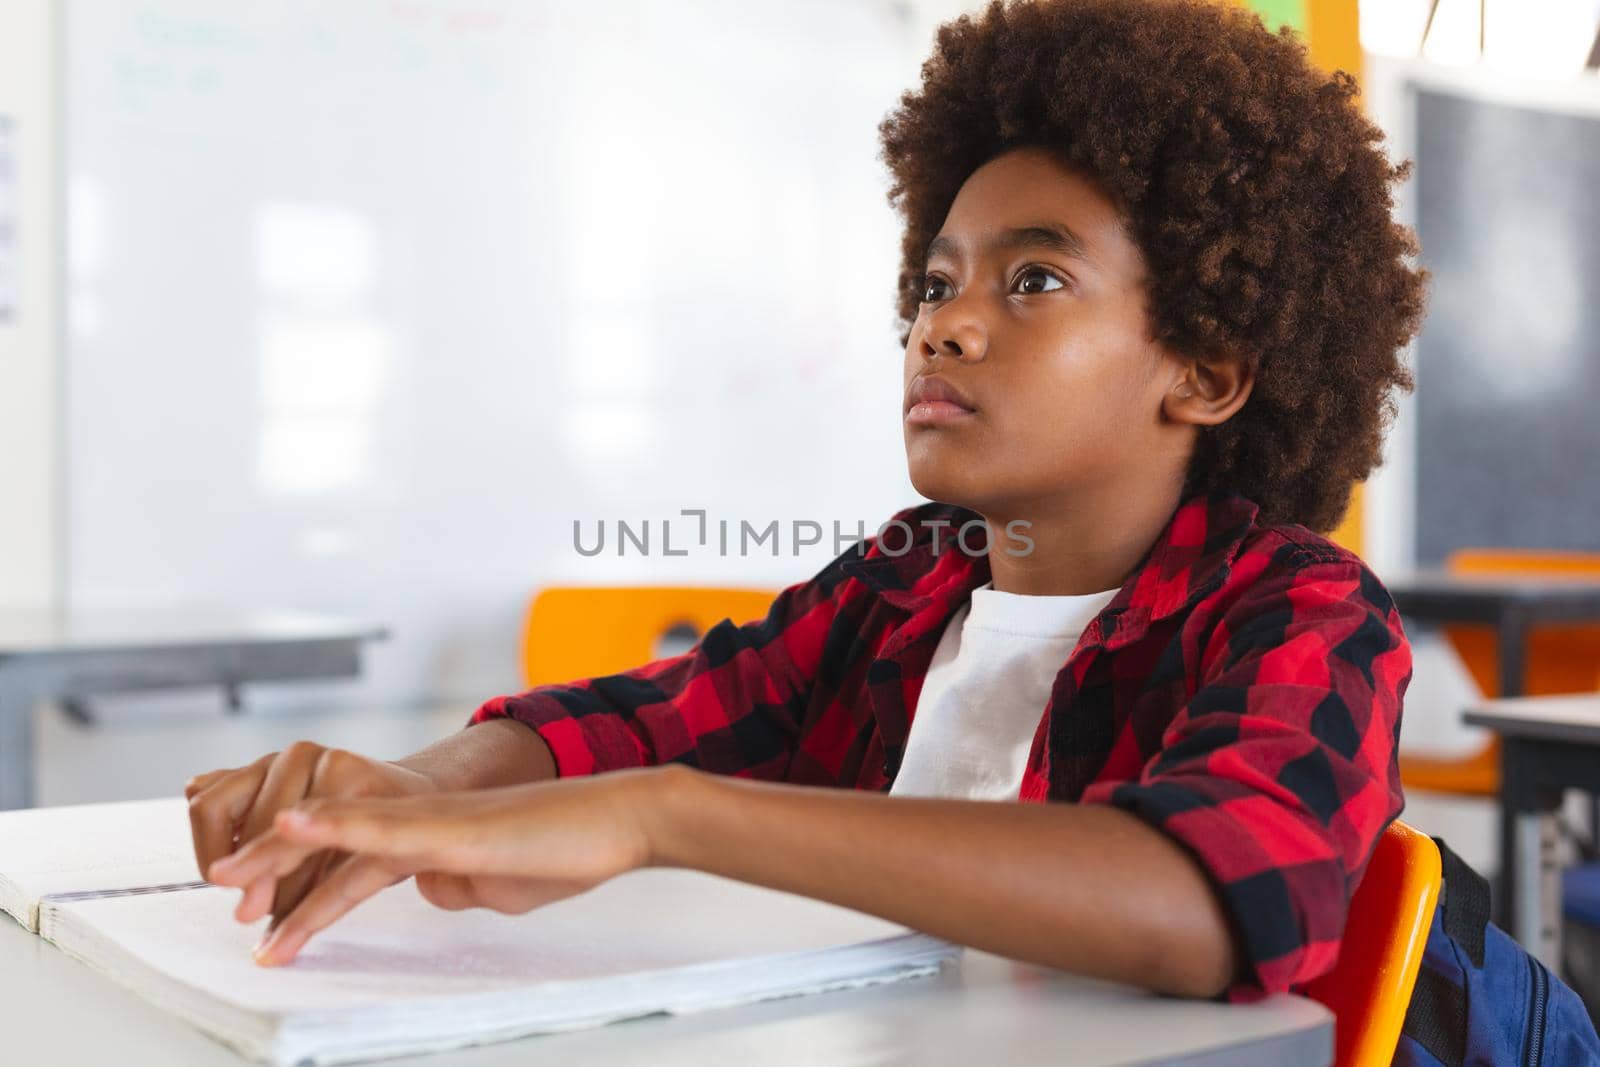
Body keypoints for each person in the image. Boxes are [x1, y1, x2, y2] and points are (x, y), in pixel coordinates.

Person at [193, 0, 1428, 1001]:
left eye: (1033, 277)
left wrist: (660, 819)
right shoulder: (907, 584)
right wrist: (424, 789)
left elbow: (1210, 899)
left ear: (1206, 369)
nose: (942, 324)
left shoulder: (1300, 614)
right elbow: (642, 719)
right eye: (933, 284)